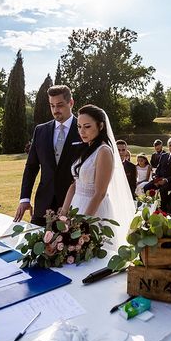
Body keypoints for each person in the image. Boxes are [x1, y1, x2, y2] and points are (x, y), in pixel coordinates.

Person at [61, 105, 134, 247]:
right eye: (79, 126)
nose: (82, 131)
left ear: (100, 126)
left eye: (87, 126)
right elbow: (74, 184)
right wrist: (63, 214)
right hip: (76, 205)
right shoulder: (85, 149)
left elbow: (100, 193)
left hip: (94, 210)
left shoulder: (104, 151)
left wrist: (83, 223)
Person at [15, 85, 82, 226]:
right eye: (52, 106)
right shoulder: (40, 130)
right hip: (43, 205)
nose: (55, 110)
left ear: (71, 103)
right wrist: (24, 198)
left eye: (60, 105)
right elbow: (31, 167)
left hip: (74, 205)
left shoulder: (84, 130)